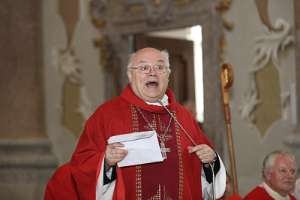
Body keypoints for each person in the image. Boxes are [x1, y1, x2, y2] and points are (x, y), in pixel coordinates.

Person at [45, 47, 226, 200]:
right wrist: (106, 161)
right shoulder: (107, 115)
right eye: (143, 67)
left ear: (168, 76)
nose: (152, 72)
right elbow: (80, 166)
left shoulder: (183, 117)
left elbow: (203, 173)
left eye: (160, 67)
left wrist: (211, 160)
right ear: (130, 76)